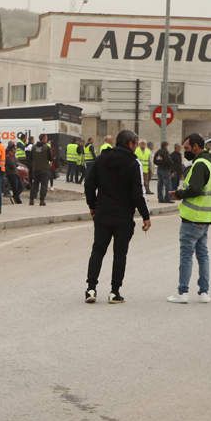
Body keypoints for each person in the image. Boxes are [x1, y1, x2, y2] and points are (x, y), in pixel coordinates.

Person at [84, 130, 151, 304]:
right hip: (123, 217)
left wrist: (92, 205)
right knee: (120, 254)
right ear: (129, 144)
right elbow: (137, 194)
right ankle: (114, 292)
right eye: (135, 143)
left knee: (98, 250)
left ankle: (91, 289)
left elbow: (89, 184)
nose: (136, 147)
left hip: (103, 214)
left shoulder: (101, 159)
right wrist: (145, 215)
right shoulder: (132, 164)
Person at [168, 133, 211, 304]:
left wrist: (179, 194)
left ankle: (182, 292)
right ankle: (204, 292)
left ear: (196, 146)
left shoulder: (199, 164)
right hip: (205, 218)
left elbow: (195, 189)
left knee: (186, 255)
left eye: (188, 148)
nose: (186, 152)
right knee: (203, 255)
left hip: (193, 218)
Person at [28, 134, 53, 206]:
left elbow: (30, 158)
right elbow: (50, 158)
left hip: (35, 169)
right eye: (46, 138)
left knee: (35, 185)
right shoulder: (47, 147)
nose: (47, 139)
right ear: (43, 139)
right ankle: (42, 201)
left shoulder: (33, 147)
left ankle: (31, 200)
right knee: (44, 185)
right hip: (44, 169)